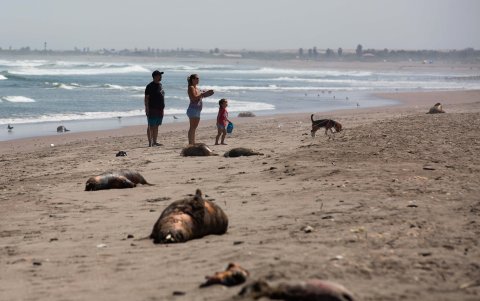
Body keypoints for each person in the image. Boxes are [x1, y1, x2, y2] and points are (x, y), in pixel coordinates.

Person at [186, 74, 214, 145]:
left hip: (198, 110)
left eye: (198, 78)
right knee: (192, 127)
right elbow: (193, 98)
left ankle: (193, 142)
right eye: (196, 78)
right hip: (192, 109)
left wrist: (207, 94)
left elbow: (200, 97)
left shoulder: (197, 88)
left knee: (194, 128)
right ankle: (191, 143)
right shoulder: (191, 87)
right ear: (192, 79)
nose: (198, 80)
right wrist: (202, 94)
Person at [144, 70, 165, 147]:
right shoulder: (150, 86)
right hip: (152, 108)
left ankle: (155, 142)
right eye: (160, 75)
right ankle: (150, 142)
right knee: (151, 126)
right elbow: (146, 98)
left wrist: (163, 108)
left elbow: (162, 96)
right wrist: (146, 108)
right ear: (155, 76)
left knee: (156, 125)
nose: (161, 76)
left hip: (160, 109)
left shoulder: (160, 85)